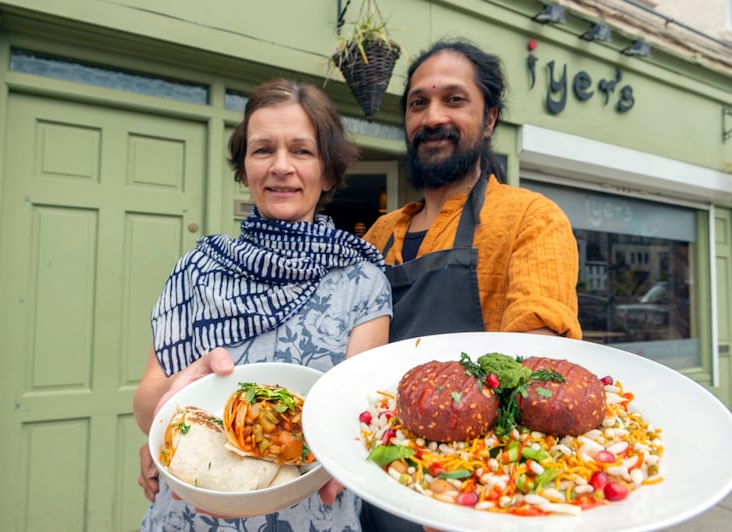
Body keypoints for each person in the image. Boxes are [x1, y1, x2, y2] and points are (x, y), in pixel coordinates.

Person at [133, 78, 392, 532]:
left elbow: (363, 414)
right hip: (189, 513)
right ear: (244, 168)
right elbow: (145, 404)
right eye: (263, 150)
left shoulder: (362, 283)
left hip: (312, 516)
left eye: (302, 151)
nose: (281, 166)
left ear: (328, 173)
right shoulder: (198, 269)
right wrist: (172, 399)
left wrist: (352, 457)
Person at [359, 38, 582, 531]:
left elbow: (536, 366)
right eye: (418, 103)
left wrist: (476, 485)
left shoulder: (530, 218)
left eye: (454, 100)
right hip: (371, 468)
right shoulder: (381, 232)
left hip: (471, 489)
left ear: (490, 120)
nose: (432, 116)